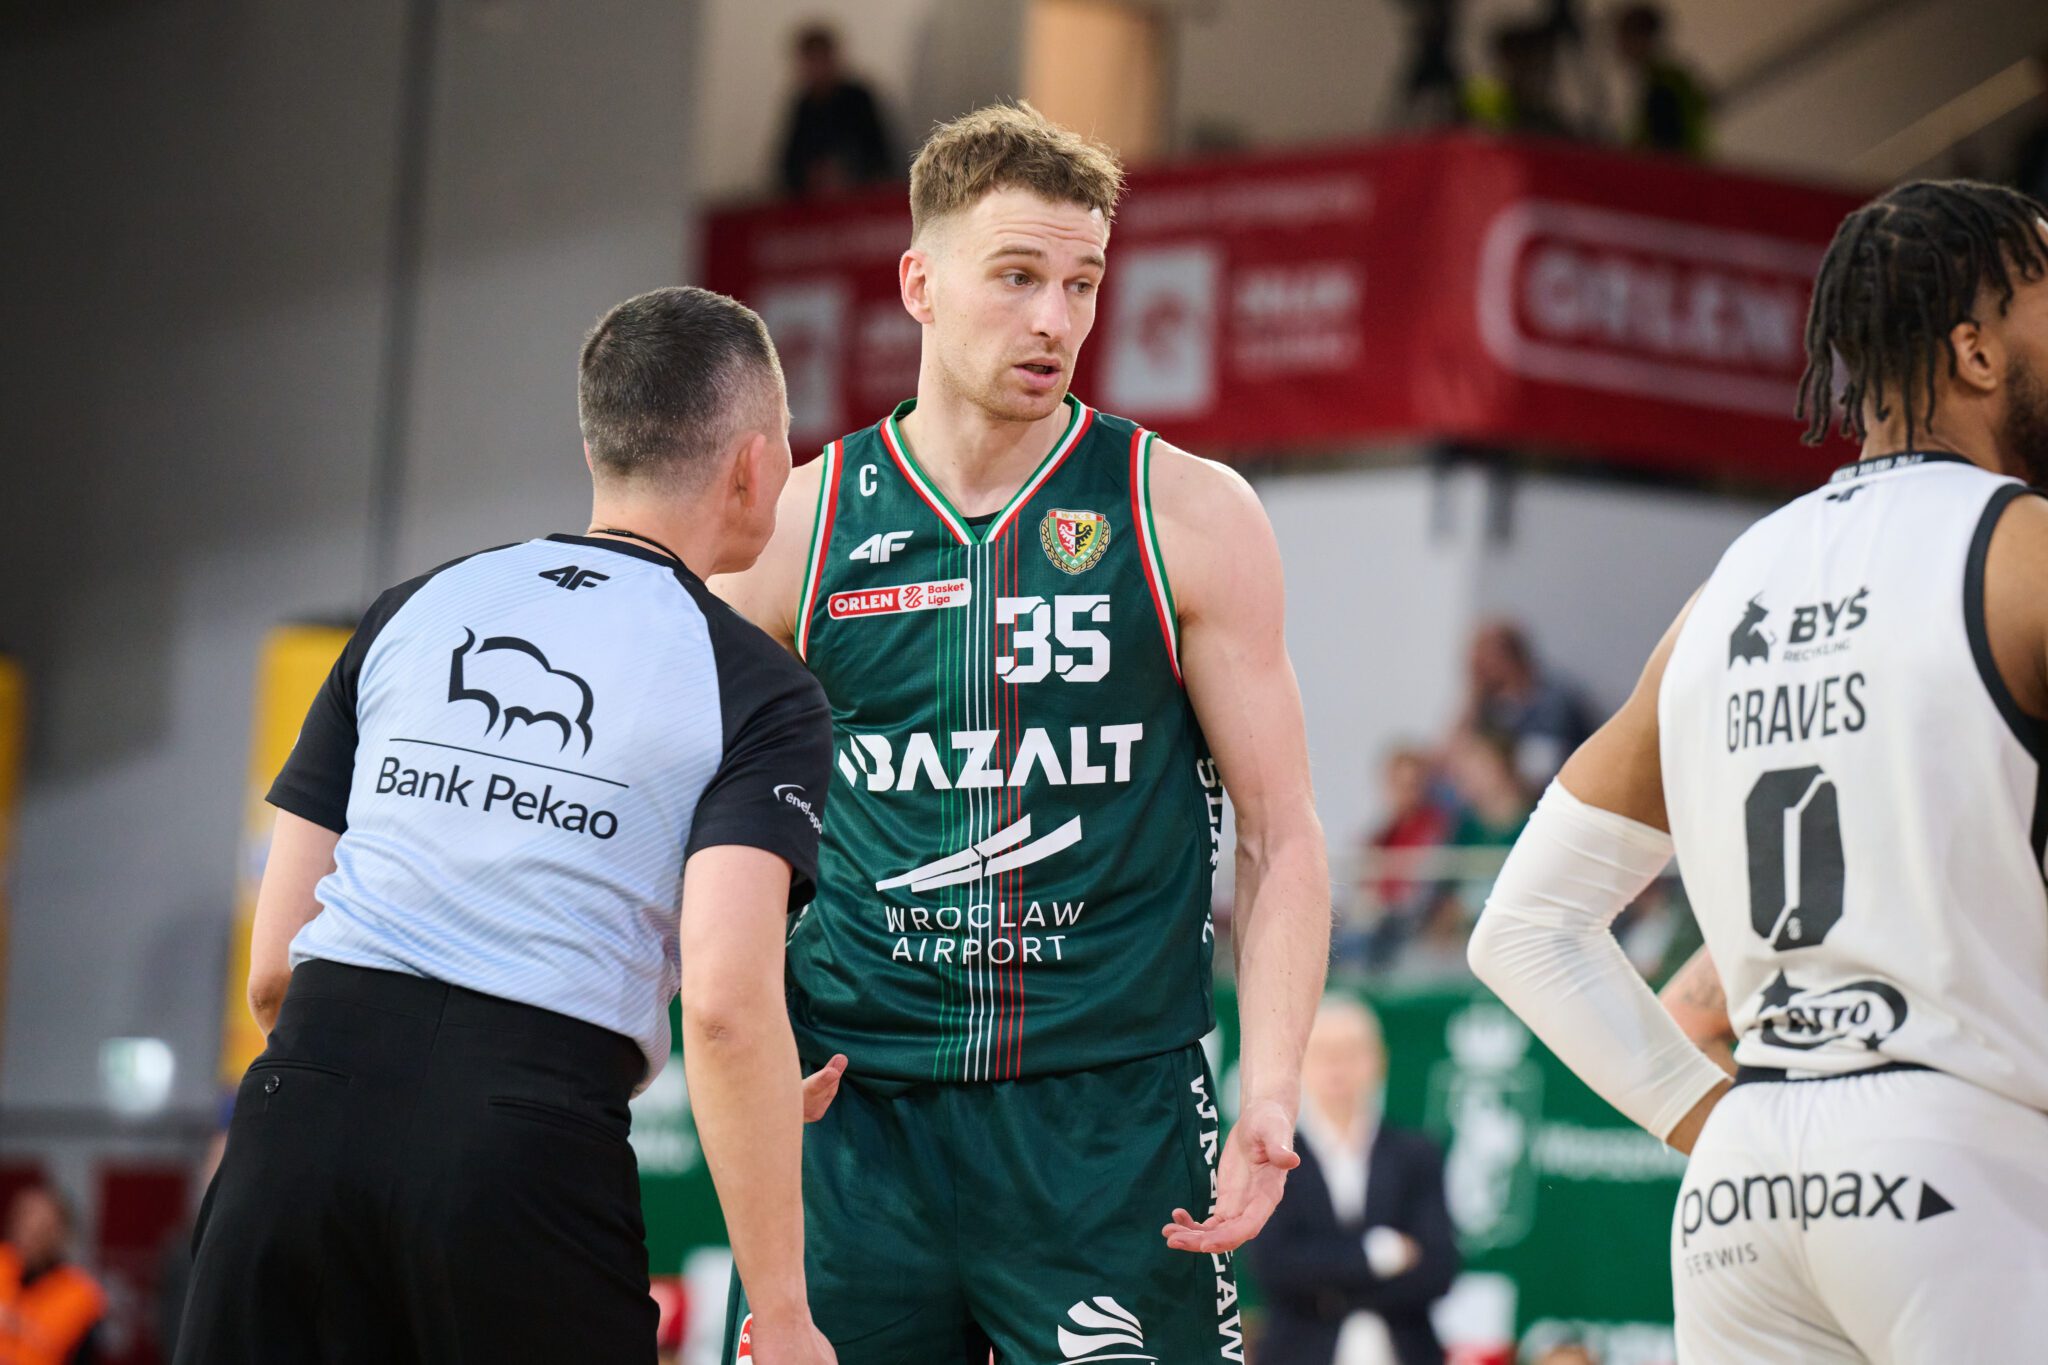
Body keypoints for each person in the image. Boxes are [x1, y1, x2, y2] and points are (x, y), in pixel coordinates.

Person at [714, 102, 1331, 1362]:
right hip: (851, 1117)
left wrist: (1271, 1084)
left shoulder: (1186, 514)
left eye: (1081, 283)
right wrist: (731, 1021)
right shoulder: (797, 526)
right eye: (1015, 277)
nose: (1054, 319)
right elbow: (700, 828)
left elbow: (1279, 834)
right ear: (919, 285)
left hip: (1109, 1125)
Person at [175, 287, 842, 1365]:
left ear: (595, 448)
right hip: (522, 1150)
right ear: (754, 466)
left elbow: (273, 971)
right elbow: (724, 1007)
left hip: (294, 1127)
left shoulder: (409, 612)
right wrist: (786, 1316)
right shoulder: (755, 685)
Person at [1470, 180, 2048, 1359]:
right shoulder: (2024, 554)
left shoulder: (1726, 588)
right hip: (1964, 1160)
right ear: (1977, 353)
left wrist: (1712, 1123)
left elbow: (1521, 930)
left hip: (1743, 1193)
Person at [1248, 997, 1459, 1365]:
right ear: (1300, 1063)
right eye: (1323, 1052)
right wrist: (1378, 1254)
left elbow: (1437, 1268)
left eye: (1350, 1052)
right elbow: (1273, 1264)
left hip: (1406, 1351)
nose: (1337, 1066)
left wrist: (1330, 1292)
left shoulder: (1416, 1153)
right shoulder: (1275, 1157)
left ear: (1379, 1060)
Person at [1461, 619, 1594, 790]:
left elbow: (1544, 766)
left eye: (1484, 660)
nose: (1480, 668)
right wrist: (1474, 698)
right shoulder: (1491, 704)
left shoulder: (1553, 702)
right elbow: (1458, 750)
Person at [777, 23, 895, 199]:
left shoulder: (858, 100)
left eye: (821, 59)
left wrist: (847, 171)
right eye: (812, 61)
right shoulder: (803, 106)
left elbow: (879, 154)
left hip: (860, 198)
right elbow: (788, 165)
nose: (817, 69)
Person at [0, 1185, 105, 1365]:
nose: (28, 1234)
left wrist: (21, 1326)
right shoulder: (3, 1264)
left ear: (60, 1233)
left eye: (42, 1227)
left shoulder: (81, 1294)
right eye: (23, 1222)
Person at [1613, 4, 1710, 158]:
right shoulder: (1662, 78)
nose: (1619, 44)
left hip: (1674, 167)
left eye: (1625, 36)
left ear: (1643, 39)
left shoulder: (1663, 84)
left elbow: (1664, 146)